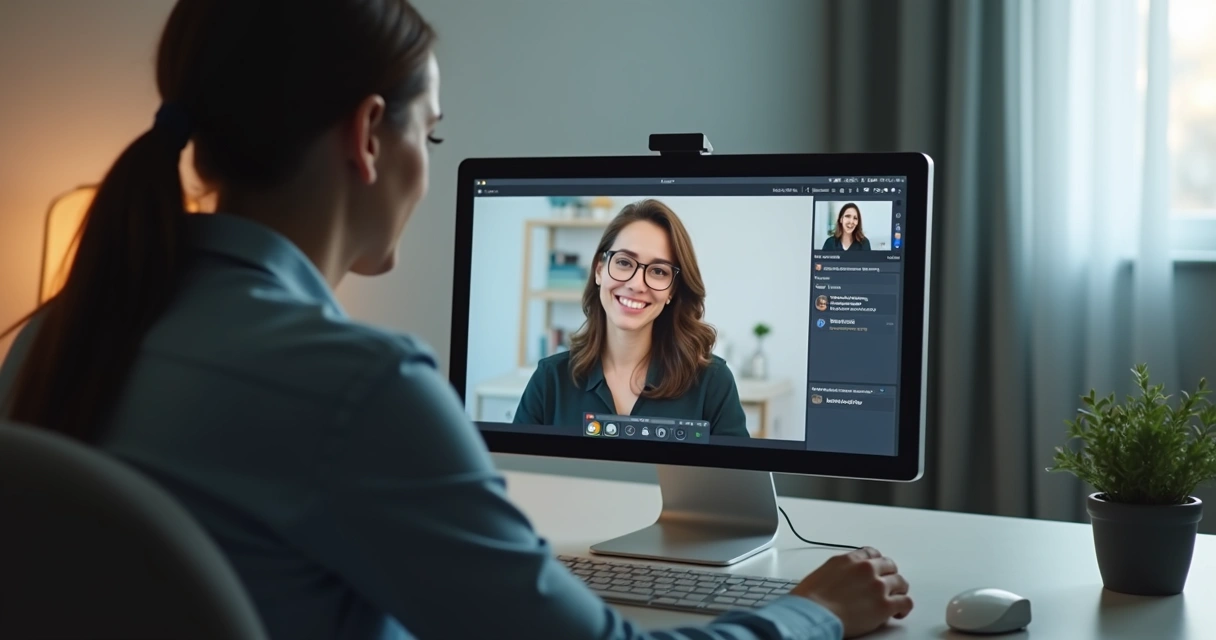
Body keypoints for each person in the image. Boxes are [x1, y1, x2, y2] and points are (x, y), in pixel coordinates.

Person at [0, 2, 912, 638]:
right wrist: (815, 611)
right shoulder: (363, 389)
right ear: (367, 136)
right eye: (428, 135)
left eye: (658, 270)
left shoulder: (51, 341)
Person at [514, 199, 750, 438]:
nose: (637, 284)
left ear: (672, 291)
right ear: (599, 271)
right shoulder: (550, 380)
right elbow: (517, 473)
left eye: (659, 271)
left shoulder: (712, 382)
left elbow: (737, 475)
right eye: (624, 262)